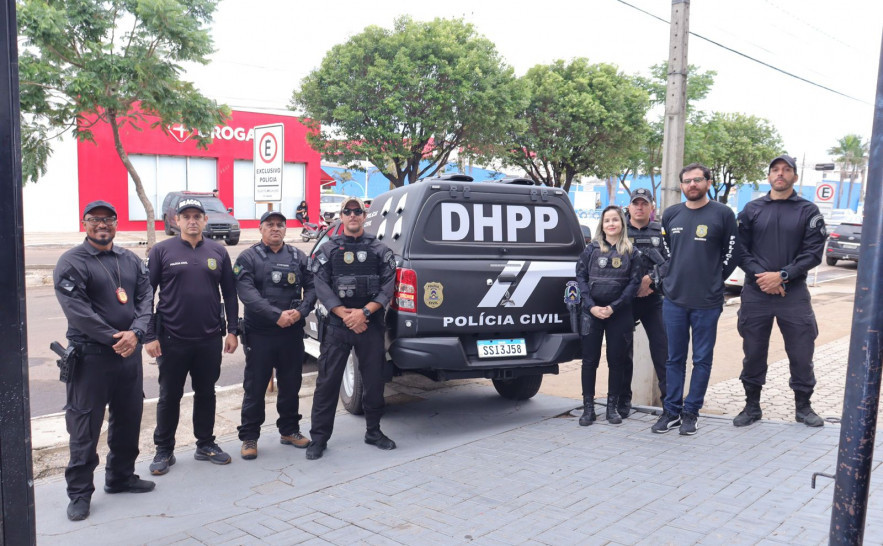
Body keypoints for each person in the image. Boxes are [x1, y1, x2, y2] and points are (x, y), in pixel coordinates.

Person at [53, 200, 155, 521]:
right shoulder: (72, 262)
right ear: (84, 224)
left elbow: (145, 298)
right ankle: (80, 493)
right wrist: (117, 338)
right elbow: (78, 312)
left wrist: (136, 333)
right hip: (91, 359)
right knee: (84, 427)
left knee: (129, 418)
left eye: (108, 219)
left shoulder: (130, 259)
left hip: (128, 357)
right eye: (95, 219)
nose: (102, 225)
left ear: (116, 223)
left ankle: (120, 477)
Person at [145, 197, 239, 474]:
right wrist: (149, 335)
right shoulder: (161, 251)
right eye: (186, 216)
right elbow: (145, 295)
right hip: (171, 339)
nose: (192, 221)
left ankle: (205, 444)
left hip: (209, 338)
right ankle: (164, 450)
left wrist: (232, 331)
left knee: (206, 393)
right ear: (177, 220)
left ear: (205, 220)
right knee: (169, 396)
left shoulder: (218, 251)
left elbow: (230, 294)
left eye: (197, 216)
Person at [734, 155, 827, 428]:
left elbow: (813, 253)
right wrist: (764, 278)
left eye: (786, 170)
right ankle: (752, 406)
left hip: (793, 294)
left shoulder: (808, 211)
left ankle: (803, 407)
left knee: (801, 352)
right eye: (775, 170)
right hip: (757, 292)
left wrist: (783, 276)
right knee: (753, 351)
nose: (780, 174)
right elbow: (740, 249)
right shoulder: (751, 209)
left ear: (795, 177)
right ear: (769, 176)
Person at [306, 197, 397, 460]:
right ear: (342, 216)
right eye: (348, 211)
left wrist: (364, 312)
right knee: (327, 384)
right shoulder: (328, 249)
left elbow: (388, 287)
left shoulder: (380, 249)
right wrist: (342, 312)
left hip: (370, 324)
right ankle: (319, 439)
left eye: (358, 211)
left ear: (364, 216)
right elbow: (320, 284)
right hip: (338, 326)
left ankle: (373, 432)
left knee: (374, 382)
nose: (353, 215)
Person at [652, 163, 738, 436]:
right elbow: (667, 251)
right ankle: (671, 411)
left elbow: (732, 253)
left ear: (708, 183)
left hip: (707, 302)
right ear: (681, 185)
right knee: (674, 359)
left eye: (697, 179)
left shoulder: (723, 214)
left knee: (701, 360)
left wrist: (715, 279)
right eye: (687, 181)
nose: (692, 184)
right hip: (674, 300)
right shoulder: (671, 214)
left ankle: (691, 412)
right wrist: (669, 280)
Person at [234, 210, 317, 459]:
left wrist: (301, 312)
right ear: (260, 229)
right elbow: (247, 293)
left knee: (291, 384)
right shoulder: (248, 257)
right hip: (260, 334)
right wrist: (275, 315)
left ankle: (289, 430)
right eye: (269, 224)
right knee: (255, 386)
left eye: (280, 224)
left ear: (285, 229)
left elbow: (313, 287)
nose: (275, 228)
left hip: (291, 333)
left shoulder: (298, 256)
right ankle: (249, 436)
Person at [575, 205, 642, 426]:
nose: (611, 224)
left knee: (617, 361)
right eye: (607, 220)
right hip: (592, 313)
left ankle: (612, 408)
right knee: (589, 361)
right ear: (602, 225)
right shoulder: (591, 250)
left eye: (615, 220)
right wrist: (592, 306)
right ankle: (588, 408)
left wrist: (613, 307)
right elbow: (581, 279)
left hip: (619, 314)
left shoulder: (632, 252)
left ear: (622, 223)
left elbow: (633, 285)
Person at [623, 188, 669, 416]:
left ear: (651, 207)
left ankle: (670, 404)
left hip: (653, 299)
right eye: (636, 203)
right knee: (622, 352)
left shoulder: (660, 231)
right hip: (625, 300)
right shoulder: (620, 230)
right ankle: (622, 402)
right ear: (629, 207)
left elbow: (671, 262)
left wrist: (650, 280)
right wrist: (633, 285)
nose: (640, 207)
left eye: (644, 203)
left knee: (663, 350)